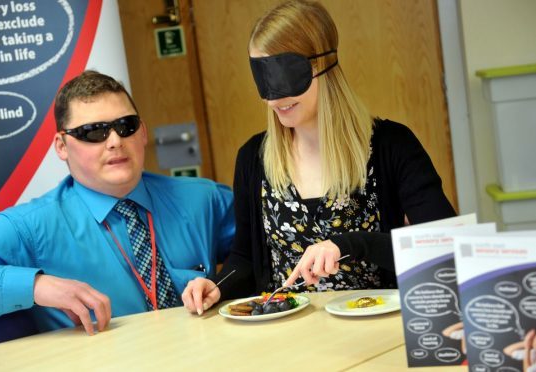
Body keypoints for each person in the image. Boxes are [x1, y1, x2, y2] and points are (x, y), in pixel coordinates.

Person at [181, 0, 455, 315]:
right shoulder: (253, 159)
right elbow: (243, 258)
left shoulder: (392, 146)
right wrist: (218, 285)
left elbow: (443, 244)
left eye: (283, 74)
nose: (274, 97)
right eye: (262, 76)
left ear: (322, 65)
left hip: (375, 324)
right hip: (287, 334)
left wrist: (351, 245)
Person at [0, 71, 235, 336]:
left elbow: (263, 250)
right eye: (93, 132)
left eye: (126, 126)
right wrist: (36, 286)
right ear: (61, 146)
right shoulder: (30, 227)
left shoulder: (204, 198)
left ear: (143, 132)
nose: (115, 142)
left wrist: (225, 285)